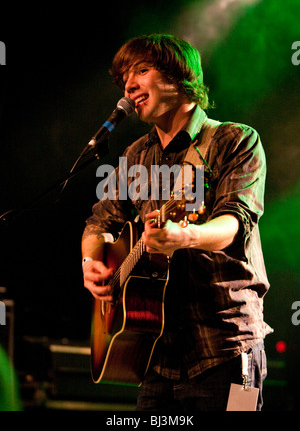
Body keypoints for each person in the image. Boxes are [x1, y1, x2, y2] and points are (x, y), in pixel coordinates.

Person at [81, 33, 272, 411]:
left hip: (228, 349)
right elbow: (98, 223)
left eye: (141, 70)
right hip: (157, 355)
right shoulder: (136, 155)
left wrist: (186, 236)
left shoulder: (234, 140)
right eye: (123, 78)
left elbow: (235, 222)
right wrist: (92, 262)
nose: (129, 85)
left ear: (180, 76)